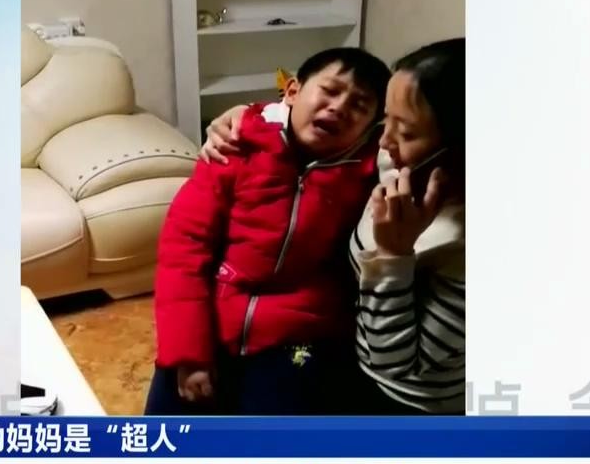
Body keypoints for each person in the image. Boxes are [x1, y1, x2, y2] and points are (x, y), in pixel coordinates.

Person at [201, 39, 465, 415]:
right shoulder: (395, 160)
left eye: (404, 131)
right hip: (345, 349)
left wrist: (394, 257)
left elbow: (396, 365)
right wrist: (252, 117)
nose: (382, 140)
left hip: (405, 401)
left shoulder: (465, 250)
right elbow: (316, 117)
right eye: (385, 119)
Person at [145, 46, 391, 417]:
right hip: (213, 313)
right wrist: (189, 352)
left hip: (300, 332)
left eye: (359, 105)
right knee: (168, 424)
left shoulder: (369, 168)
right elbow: (184, 250)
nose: (339, 108)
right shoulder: (234, 147)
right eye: (329, 90)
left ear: (373, 124)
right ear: (292, 92)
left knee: (275, 429)